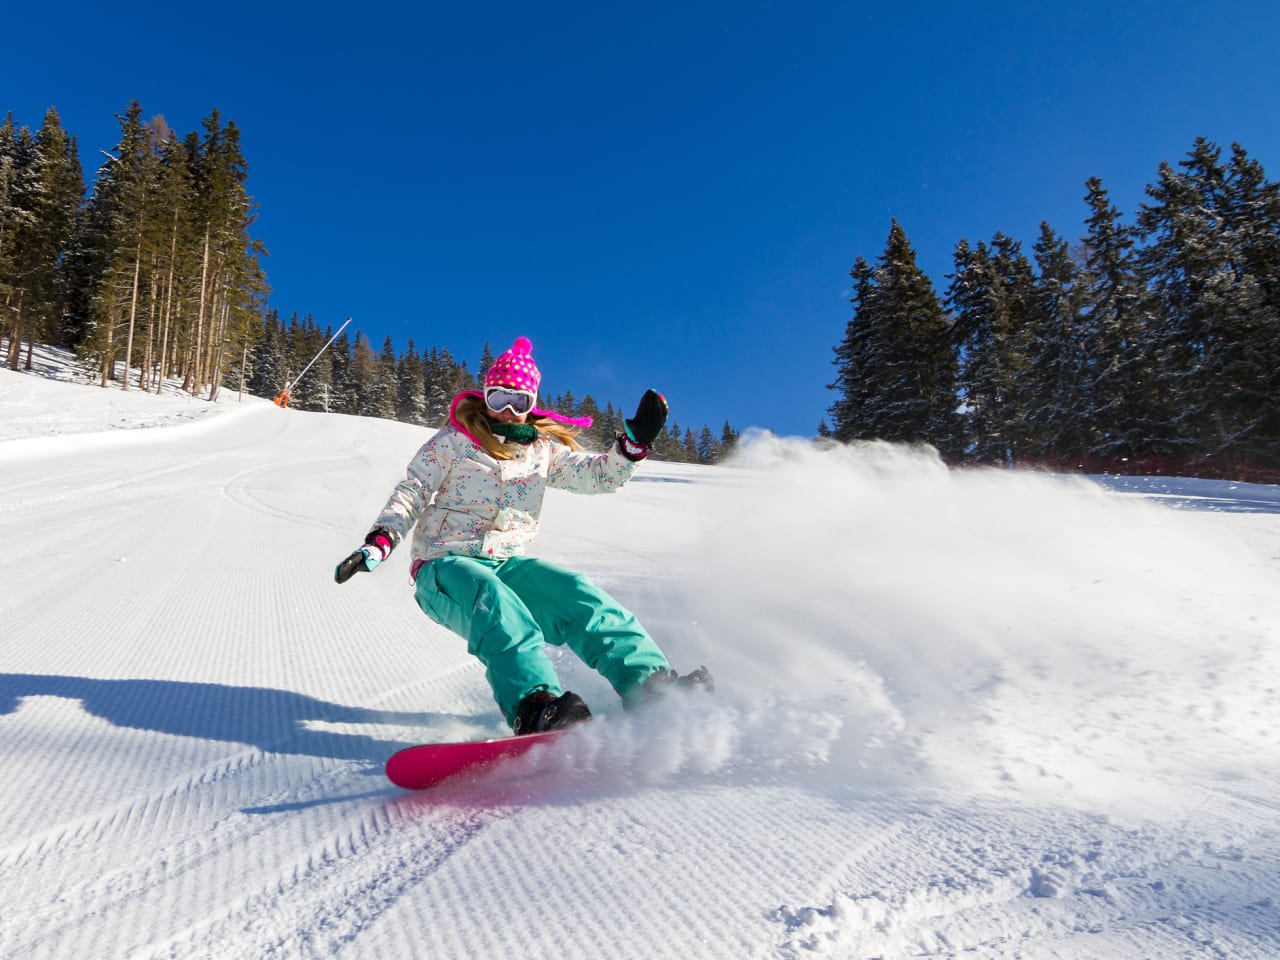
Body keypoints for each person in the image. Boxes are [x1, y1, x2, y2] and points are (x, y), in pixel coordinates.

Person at [335, 336, 710, 735]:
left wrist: (633, 446)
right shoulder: (454, 441)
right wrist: (381, 540)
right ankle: (535, 704)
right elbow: (412, 490)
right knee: (496, 605)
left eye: (520, 403)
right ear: (485, 398)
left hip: (505, 563)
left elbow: (598, 476)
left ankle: (648, 686)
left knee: (578, 595)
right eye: (499, 401)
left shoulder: (541, 451)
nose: (509, 413)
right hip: (444, 567)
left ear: (532, 405)